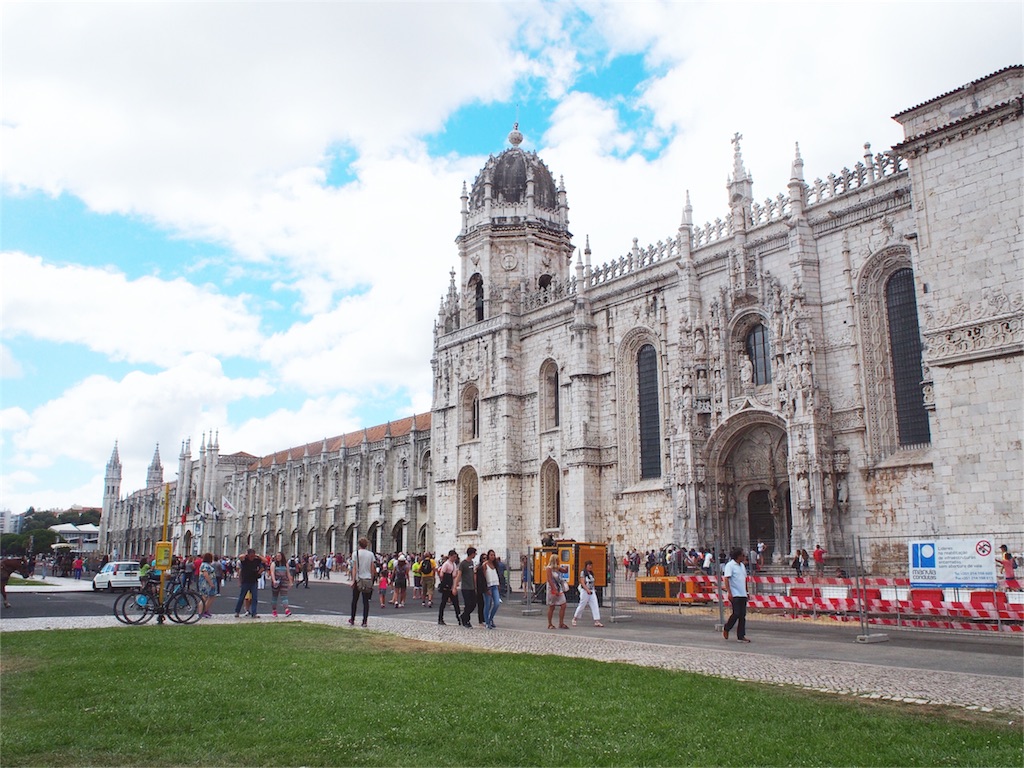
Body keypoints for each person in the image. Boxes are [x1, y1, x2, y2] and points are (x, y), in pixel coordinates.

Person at [722, 547, 750, 643]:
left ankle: (741, 635)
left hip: (742, 593)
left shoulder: (742, 566)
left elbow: (744, 579)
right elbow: (726, 579)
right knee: (736, 613)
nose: (744, 556)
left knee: (742, 615)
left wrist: (747, 592)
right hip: (735, 593)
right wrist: (729, 592)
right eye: (742, 555)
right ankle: (727, 627)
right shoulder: (730, 565)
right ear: (738, 556)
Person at [349, 537, 377, 627]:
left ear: (359, 544)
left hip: (358, 579)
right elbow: (373, 569)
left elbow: (354, 568)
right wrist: (372, 580)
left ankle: (352, 619)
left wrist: (353, 580)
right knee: (366, 602)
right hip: (367, 579)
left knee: (355, 600)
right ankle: (364, 621)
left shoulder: (355, 553)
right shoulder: (371, 554)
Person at [234, 548, 264, 618]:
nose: (252, 558)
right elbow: (240, 557)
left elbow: (264, 560)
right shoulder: (245, 560)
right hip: (245, 581)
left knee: (254, 598)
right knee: (242, 597)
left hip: (254, 581)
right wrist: (246, 555)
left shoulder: (256, 560)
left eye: (253, 556)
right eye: (251, 556)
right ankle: (237, 611)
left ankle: (254, 613)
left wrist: (258, 556)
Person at [572, 559, 603, 627]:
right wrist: (587, 590)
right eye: (589, 565)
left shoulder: (591, 573)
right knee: (582, 605)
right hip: (585, 591)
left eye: (591, 565)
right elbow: (582, 582)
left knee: (595, 604)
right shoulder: (583, 573)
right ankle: (575, 618)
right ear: (586, 566)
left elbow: (592, 582)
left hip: (591, 591)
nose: (590, 567)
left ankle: (597, 620)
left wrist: (593, 589)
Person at [436, 549, 461, 625]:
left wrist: (455, 585)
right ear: (450, 556)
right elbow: (441, 574)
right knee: (443, 602)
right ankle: (440, 618)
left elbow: (455, 575)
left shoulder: (453, 564)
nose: (455, 558)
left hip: (451, 585)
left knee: (456, 603)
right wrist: (444, 583)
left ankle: (459, 619)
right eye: (453, 557)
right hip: (447, 586)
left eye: (455, 557)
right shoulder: (446, 564)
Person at [455, 547, 477, 628]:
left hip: (472, 587)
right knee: (468, 604)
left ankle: (463, 616)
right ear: (471, 554)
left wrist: (475, 586)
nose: (475, 555)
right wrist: (455, 586)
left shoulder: (471, 562)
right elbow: (459, 575)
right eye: (475, 553)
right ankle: (466, 620)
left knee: (473, 604)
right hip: (465, 587)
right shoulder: (463, 564)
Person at [546, 554, 569, 629]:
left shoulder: (557, 568)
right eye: (558, 559)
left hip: (559, 588)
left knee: (563, 605)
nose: (559, 561)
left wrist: (567, 567)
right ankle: (550, 624)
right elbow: (549, 579)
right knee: (552, 606)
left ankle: (561, 623)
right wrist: (554, 589)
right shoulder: (549, 568)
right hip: (552, 589)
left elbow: (565, 571)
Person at [481, 550, 501, 629]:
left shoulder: (495, 564)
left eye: (494, 555)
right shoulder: (485, 565)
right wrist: (486, 588)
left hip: (495, 585)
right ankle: (487, 621)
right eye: (491, 555)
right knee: (487, 604)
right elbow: (484, 577)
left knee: (497, 603)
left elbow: (496, 574)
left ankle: (490, 618)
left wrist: (498, 583)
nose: (492, 556)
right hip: (488, 586)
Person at [269, 551, 293, 617]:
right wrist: (274, 581)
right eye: (277, 556)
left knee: (284, 596)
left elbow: (288, 573)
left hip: (284, 581)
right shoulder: (273, 564)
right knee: (275, 597)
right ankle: (274, 610)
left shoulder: (285, 564)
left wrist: (290, 582)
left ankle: (286, 609)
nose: (278, 557)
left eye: (279, 556)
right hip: (276, 581)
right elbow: (272, 573)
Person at [196, 552, 217, 618]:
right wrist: (211, 583)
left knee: (212, 596)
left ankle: (205, 610)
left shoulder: (207, 565)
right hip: (205, 584)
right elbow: (205, 574)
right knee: (204, 597)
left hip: (209, 583)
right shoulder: (205, 565)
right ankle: (200, 612)